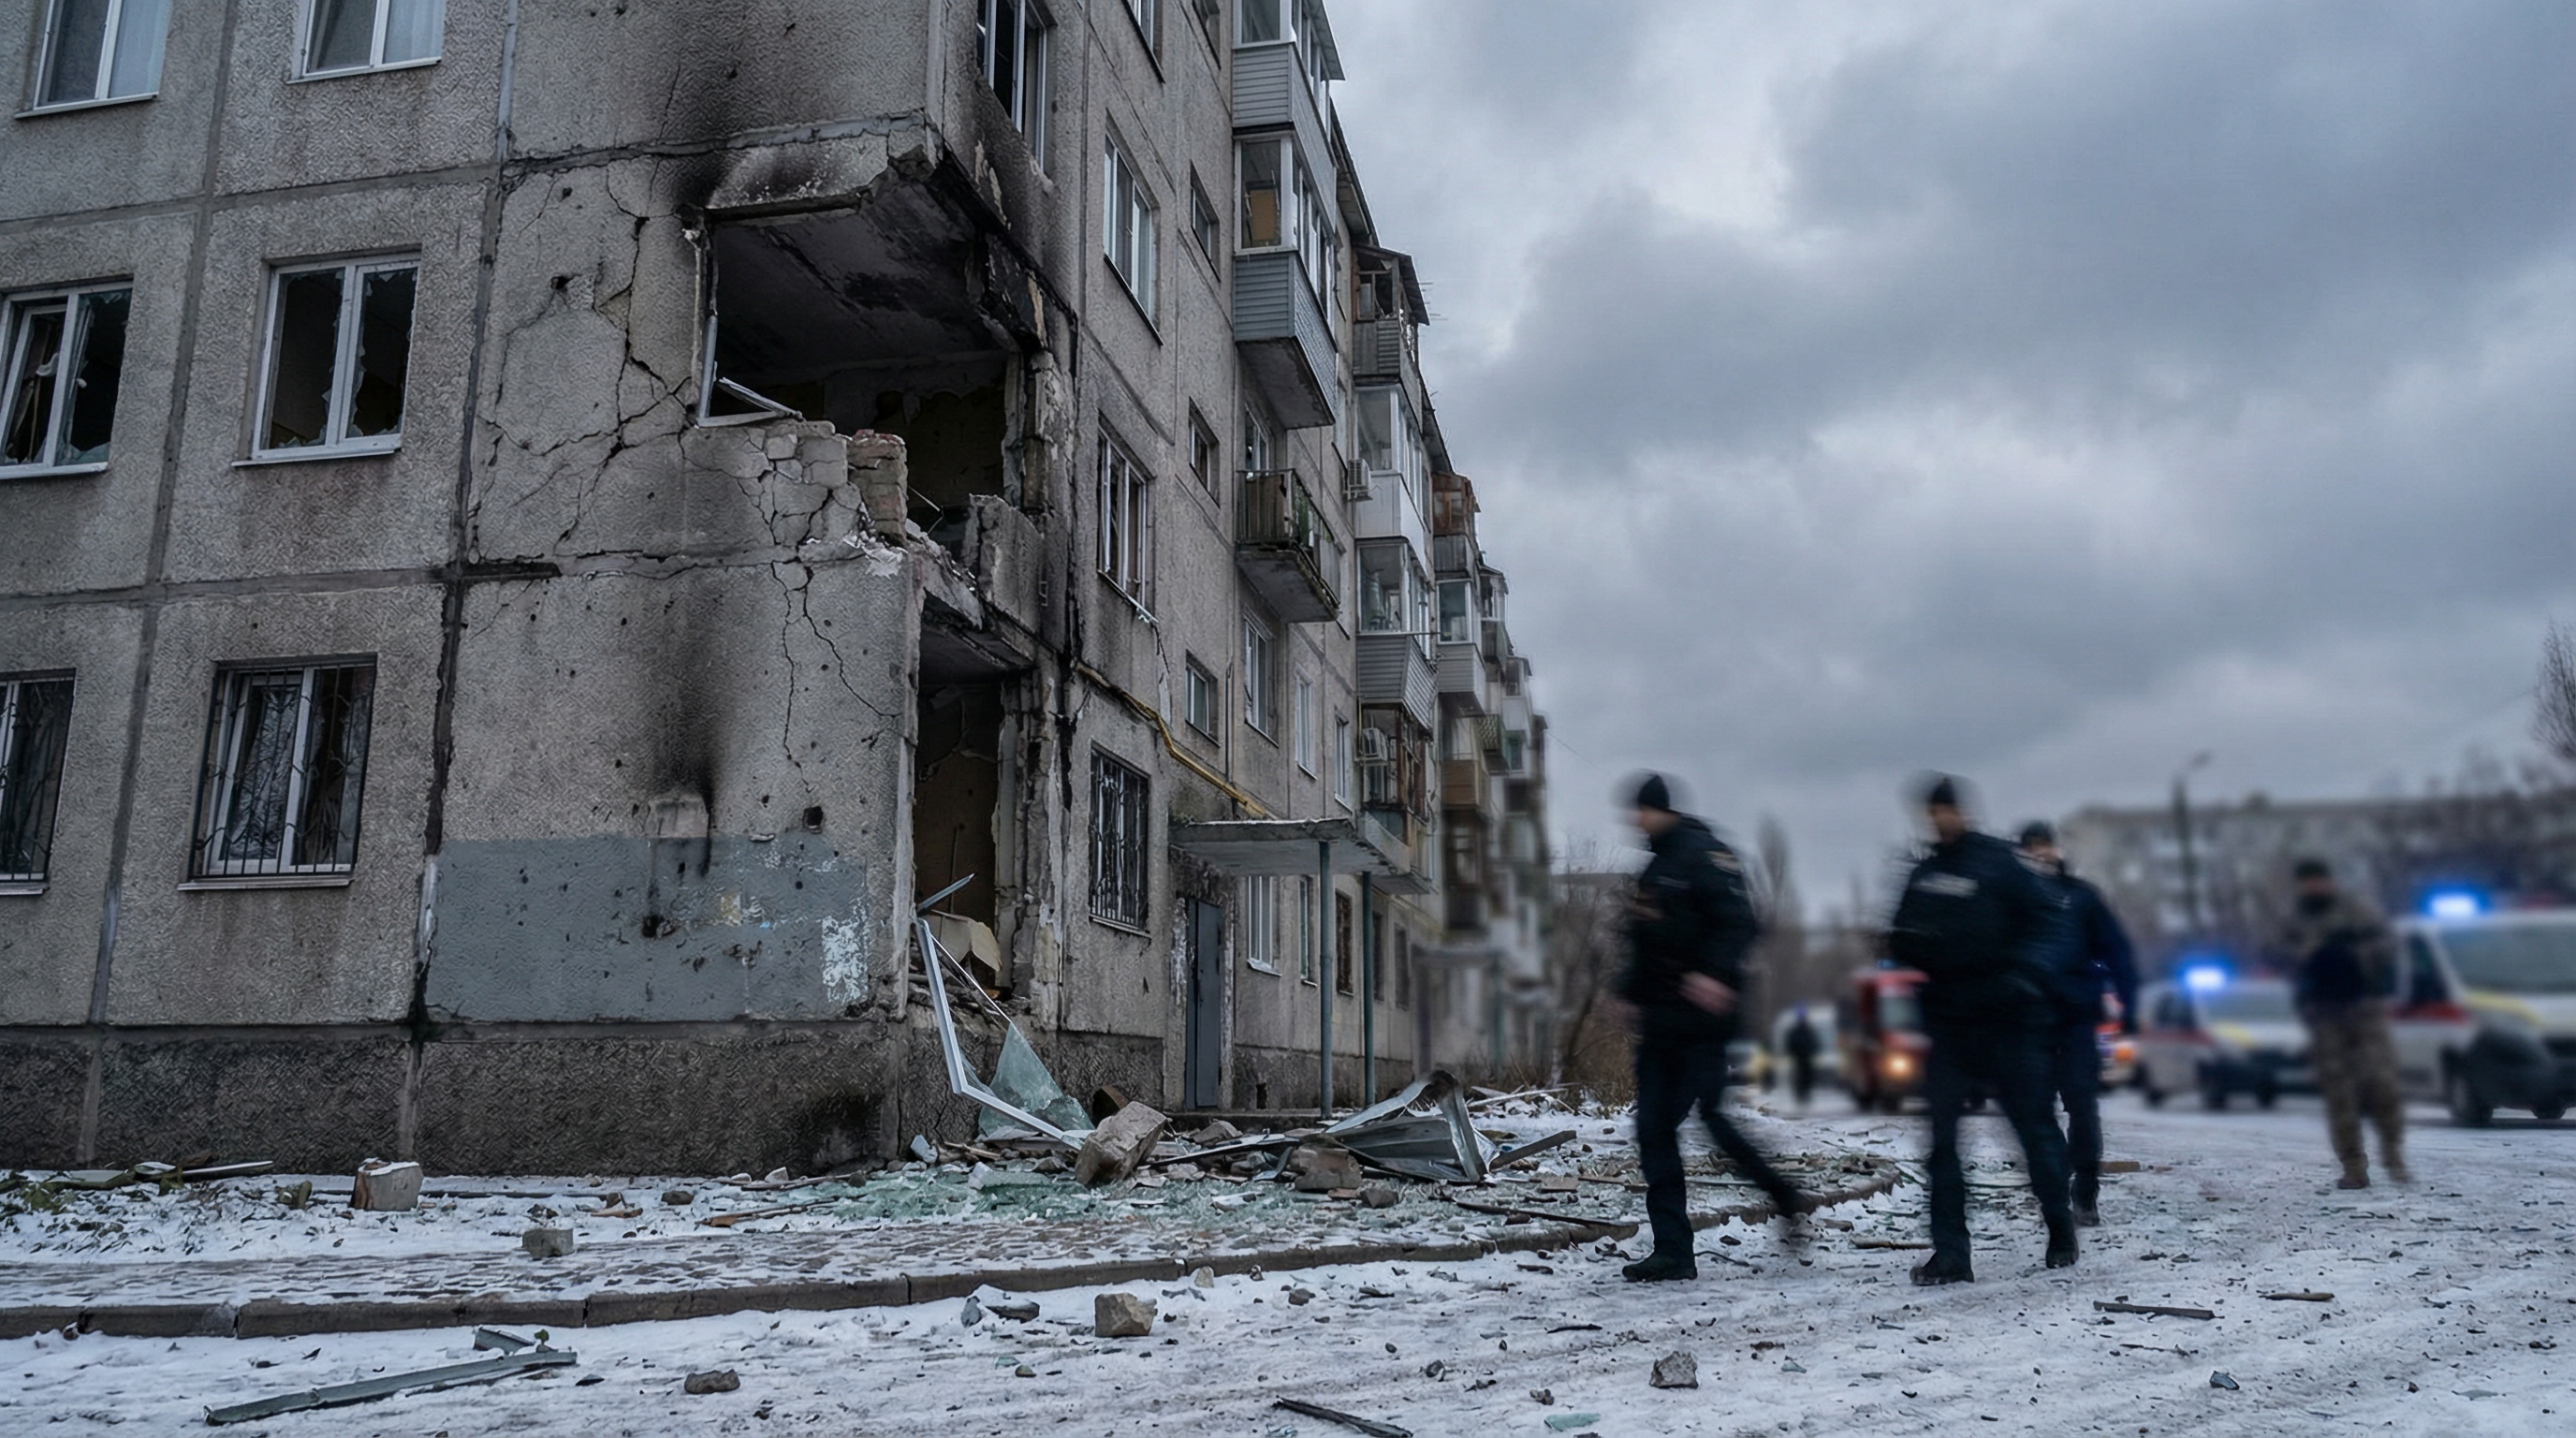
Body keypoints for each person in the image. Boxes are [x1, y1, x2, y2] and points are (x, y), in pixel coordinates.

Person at [1618, 773, 1808, 1282]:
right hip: (1662, 1023)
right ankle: (1673, 1251)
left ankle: (1784, 1196)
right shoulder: (1653, 870)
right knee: (1653, 1129)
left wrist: (1715, 975)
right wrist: (1628, 994)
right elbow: (1642, 945)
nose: (1636, 820)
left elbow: (1743, 923)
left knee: (1715, 1120)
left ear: (1662, 810)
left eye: (1642, 810)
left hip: (1704, 1022)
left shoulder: (1707, 856)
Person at [1888, 776, 2076, 1284]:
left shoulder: (1999, 864)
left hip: (2007, 1021)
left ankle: (2060, 1222)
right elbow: (1899, 936)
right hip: (1948, 1026)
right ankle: (1951, 1253)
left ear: (1962, 813)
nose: (1939, 820)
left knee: (2033, 1131)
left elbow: (2048, 924)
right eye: (1932, 813)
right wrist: (1908, 944)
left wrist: (2025, 975)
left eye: (1947, 810)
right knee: (1943, 1142)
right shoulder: (1925, 875)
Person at [2017, 821, 2140, 1227]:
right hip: (2028, 1024)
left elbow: (2117, 953)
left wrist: (2130, 1006)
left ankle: (2085, 1190)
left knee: (2083, 1109)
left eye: (2045, 846)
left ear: (2057, 849)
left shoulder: (2082, 898)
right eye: (2030, 847)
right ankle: (2054, 1186)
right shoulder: (2009, 901)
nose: (2039, 854)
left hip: (2075, 1021)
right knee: (2038, 1115)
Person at [2281, 858, 2408, 1189]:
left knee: (2382, 1085)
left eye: (2318, 881)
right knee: (2340, 1094)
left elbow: (2388, 945)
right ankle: (2353, 1166)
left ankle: (2393, 1155)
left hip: (2363, 1008)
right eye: (2308, 883)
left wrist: (2354, 954)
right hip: (2324, 1014)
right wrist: (2310, 957)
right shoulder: (2296, 921)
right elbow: (2279, 957)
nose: (2314, 888)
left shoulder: (2356, 911)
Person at [1783, 1006, 1823, 1107]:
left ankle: (1804, 1094)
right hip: (1800, 1057)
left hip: (1804, 1057)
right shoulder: (1800, 1031)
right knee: (1802, 1076)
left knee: (1805, 1076)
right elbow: (1791, 1044)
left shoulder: (1805, 1030)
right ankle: (1802, 1094)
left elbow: (1814, 1042)